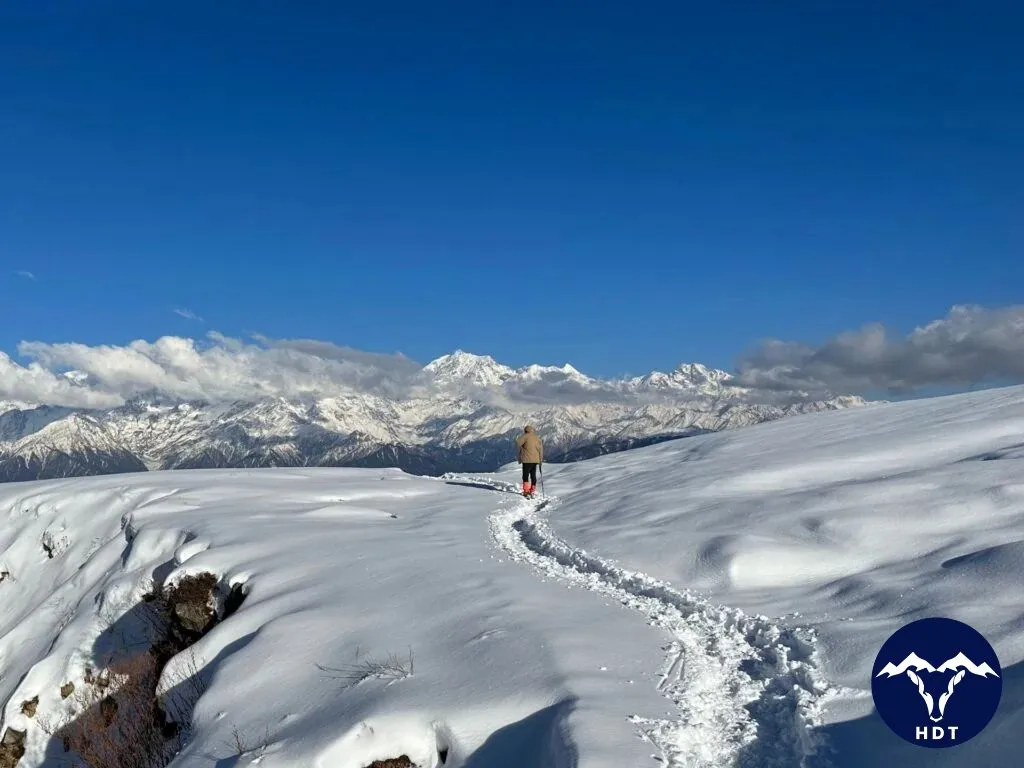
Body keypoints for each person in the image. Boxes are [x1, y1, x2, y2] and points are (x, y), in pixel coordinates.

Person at [515, 425, 543, 497]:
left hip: (527, 460)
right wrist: (540, 460)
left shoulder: (525, 436)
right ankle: (532, 490)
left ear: (525, 430)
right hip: (535, 460)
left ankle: (526, 491)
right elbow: (541, 450)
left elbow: (517, 443)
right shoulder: (537, 438)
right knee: (533, 475)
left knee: (525, 475)